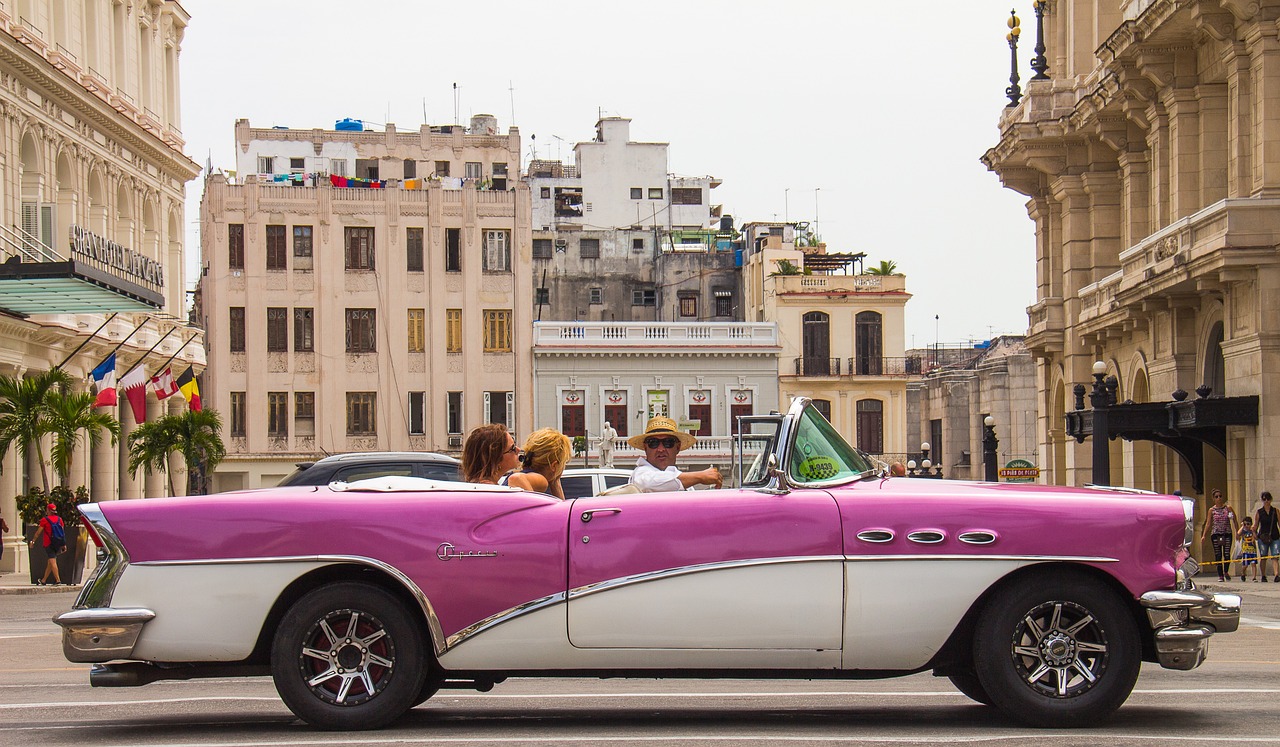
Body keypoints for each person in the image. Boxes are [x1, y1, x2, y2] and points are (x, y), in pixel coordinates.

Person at [628, 415, 722, 492]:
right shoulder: (640, 474)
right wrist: (700, 476)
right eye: (653, 443)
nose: (661, 449)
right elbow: (650, 483)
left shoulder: (685, 483)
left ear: (677, 447)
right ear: (645, 448)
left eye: (668, 443)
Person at [504, 428, 571, 500]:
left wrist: (555, 482)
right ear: (554, 465)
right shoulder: (541, 480)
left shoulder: (525, 476)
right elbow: (517, 479)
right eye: (563, 463)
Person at [1201, 489, 1237, 582]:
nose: (1219, 498)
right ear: (1213, 499)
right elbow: (1208, 523)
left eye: (1220, 496)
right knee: (1218, 554)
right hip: (1216, 534)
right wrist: (1204, 535)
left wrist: (1237, 532)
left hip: (1227, 533)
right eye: (1216, 497)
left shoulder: (1228, 508)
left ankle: (1226, 571)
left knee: (1227, 554)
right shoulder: (1211, 510)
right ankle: (1220, 575)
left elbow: (1234, 519)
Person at [26, 502, 65, 586]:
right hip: (58, 543)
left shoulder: (45, 520)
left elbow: (38, 532)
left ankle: (58, 580)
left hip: (49, 543)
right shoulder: (60, 519)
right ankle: (43, 580)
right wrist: (64, 544)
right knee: (50, 562)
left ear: (48, 510)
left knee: (52, 561)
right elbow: (62, 532)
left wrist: (33, 541)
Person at [1256, 491, 1280, 583]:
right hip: (1263, 537)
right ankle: (1263, 575)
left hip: (1274, 536)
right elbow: (1256, 525)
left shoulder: (1275, 511)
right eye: (1264, 499)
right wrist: (1254, 533)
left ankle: (1276, 574)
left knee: (1275, 556)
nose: (1266, 501)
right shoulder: (1259, 512)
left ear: (1271, 499)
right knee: (1263, 556)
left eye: (1268, 499)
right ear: (1262, 500)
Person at [1238, 516, 1259, 582]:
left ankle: (1254, 577)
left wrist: (1253, 531)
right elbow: (1238, 533)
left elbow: (1256, 538)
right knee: (1245, 565)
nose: (1246, 526)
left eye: (1248, 524)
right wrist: (1242, 526)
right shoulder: (1243, 531)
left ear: (1251, 524)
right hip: (1245, 550)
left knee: (1253, 564)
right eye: (1245, 524)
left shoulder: (1252, 531)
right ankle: (1243, 573)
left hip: (1252, 550)